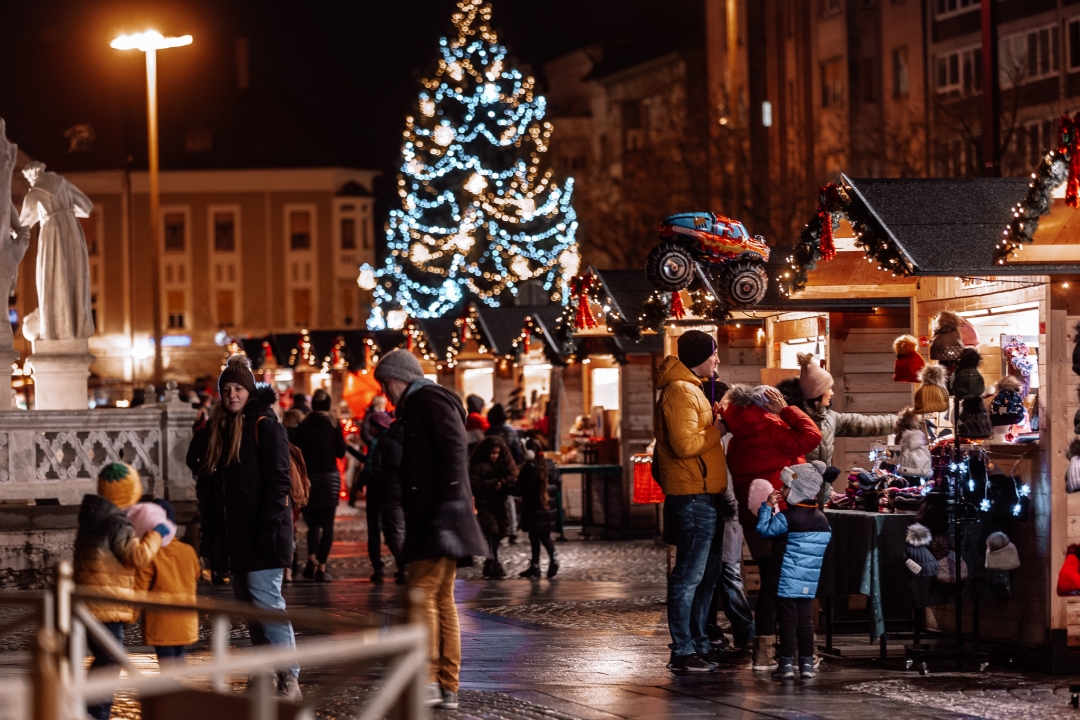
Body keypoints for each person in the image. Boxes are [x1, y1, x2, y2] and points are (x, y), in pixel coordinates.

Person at [373, 349, 488, 710]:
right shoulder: (422, 403)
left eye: (384, 383)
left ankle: (426, 680)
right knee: (440, 597)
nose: (385, 393)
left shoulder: (426, 399)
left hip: (436, 513)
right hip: (439, 511)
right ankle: (446, 684)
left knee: (421, 594)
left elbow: (454, 447)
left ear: (397, 378)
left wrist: (450, 497)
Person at [199, 355, 301, 700]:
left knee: (267, 604)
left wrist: (269, 529)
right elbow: (213, 492)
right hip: (236, 537)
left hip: (264, 535)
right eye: (226, 389)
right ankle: (264, 673)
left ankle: (289, 676)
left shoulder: (264, 426)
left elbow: (278, 482)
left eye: (238, 388)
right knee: (249, 607)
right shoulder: (218, 432)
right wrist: (212, 538)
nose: (231, 395)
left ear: (248, 391)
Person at [721, 383, 822, 671]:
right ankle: (775, 651)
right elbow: (811, 436)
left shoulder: (737, 437)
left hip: (755, 517)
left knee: (770, 579)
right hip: (782, 514)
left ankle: (768, 649)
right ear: (768, 404)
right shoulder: (772, 429)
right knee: (781, 584)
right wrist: (787, 411)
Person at [653, 330, 728, 672]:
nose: (717, 359)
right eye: (713, 353)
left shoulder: (691, 389)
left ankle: (698, 642)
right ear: (700, 355)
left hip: (703, 494)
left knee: (706, 577)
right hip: (692, 497)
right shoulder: (680, 391)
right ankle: (683, 649)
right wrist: (718, 428)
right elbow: (684, 445)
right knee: (689, 577)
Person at [74, 462, 169, 719]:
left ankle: (88, 707)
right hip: (107, 604)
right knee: (110, 660)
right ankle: (96, 713)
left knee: (104, 659)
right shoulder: (117, 524)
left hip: (91, 602)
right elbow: (137, 557)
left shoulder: (92, 519)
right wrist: (156, 533)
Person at [756, 461, 832, 680]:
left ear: (798, 491)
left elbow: (763, 530)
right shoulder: (822, 521)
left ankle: (786, 664)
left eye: (786, 487)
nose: (781, 490)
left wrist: (767, 507)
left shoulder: (787, 518)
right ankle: (807, 663)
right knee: (805, 619)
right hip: (808, 578)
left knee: (787, 619)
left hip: (785, 577)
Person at [796, 353, 896, 467]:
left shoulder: (828, 418)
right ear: (817, 393)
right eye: (828, 389)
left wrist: (900, 422)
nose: (832, 393)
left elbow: (863, 423)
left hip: (824, 485)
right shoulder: (794, 423)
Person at [133, 498, 200, 666]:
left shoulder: (150, 557)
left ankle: (173, 691)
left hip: (161, 624)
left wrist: (129, 617)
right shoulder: (188, 550)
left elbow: (139, 591)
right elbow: (196, 575)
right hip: (186, 620)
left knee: (167, 665)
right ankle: (182, 690)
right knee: (180, 658)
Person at [292, 388, 346, 583]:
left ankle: (312, 560)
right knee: (328, 524)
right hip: (329, 477)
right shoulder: (333, 424)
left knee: (313, 522)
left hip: (311, 477)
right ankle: (322, 568)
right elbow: (341, 452)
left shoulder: (304, 424)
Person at [706, 481, 755, 655]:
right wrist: (734, 507)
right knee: (729, 577)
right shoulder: (722, 453)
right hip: (724, 519)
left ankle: (744, 635)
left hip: (721, 518)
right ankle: (747, 635)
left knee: (722, 577)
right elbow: (724, 485)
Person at [362, 410, 406, 583]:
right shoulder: (405, 440)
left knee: (378, 529)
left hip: (381, 491)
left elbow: (373, 467)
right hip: (396, 490)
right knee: (395, 529)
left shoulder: (381, 441)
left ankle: (380, 568)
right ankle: (402, 565)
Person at [470, 436, 519, 579]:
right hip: (485, 503)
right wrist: (493, 484)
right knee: (492, 532)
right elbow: (474, 485)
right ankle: (494, 563)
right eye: (492, 453)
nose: (495, 456)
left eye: (497, 453)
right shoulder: (478, 465)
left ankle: (490, 563)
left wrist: (504, 482)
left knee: (498, 533)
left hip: (499, 504)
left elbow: (513, 476)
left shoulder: (502, 464)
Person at [513, 437, 561, 579]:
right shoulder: (550, 465)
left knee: (536, 537)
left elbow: (519, 488)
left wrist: (504, 487)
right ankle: (545, 562)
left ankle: (538, 565)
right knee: (543, 536)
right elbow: (557, 484)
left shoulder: (529, 468)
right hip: (547, 508)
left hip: (533, 508)